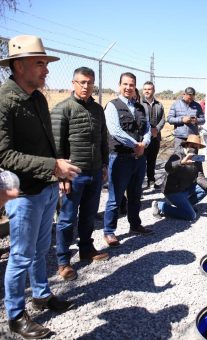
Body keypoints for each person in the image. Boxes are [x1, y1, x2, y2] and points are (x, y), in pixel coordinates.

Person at [0, 35, 81, 339]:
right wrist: (52, 167)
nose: (46, 69)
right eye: (40, 63)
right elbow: (4, 154)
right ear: (19, 65)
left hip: (46, 188)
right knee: (20, 255)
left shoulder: (36, 97)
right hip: (22, 194)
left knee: (40, 249)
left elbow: (47, 144)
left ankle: (42, 295)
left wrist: (56, 174)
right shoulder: (4, 100)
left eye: (46, 63)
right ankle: (16, 315)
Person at [51, 67, 109, 282]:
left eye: (90, 82)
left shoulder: (97, 109)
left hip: (94, 172)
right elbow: (56, 147)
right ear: (73, 83)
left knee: (88, 214)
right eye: (82, 82)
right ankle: (63, 261)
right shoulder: (62, 108)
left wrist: (104, 165)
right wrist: (61, 175)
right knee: (66, 218)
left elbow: (103, 139)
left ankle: (86, 248)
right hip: (73, 174)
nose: (86, 86)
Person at [103, 72, 152, 247]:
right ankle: (109, 231)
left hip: (138, 159)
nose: (128, 88)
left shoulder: (140, 108)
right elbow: (115, 131)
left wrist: (144, 143)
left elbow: (147, 129)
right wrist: (135, 145)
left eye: (131, 85)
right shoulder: (112, 106)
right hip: (120, 158)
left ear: (135, 87)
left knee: (135, 195)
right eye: (125, 84)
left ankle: (135, 224)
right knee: (115, 198)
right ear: (119, 85)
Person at [151, 135, 207, 221]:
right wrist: (181, 162)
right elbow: (168, 167)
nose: (195, 149)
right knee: (191, 216)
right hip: (173, 190)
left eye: (197, 147)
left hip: (185, 188)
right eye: (193, 146)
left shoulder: (198, 158)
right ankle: (160, 205)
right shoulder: (177, 155)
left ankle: (187, 206)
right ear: (187, 145)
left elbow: (200, 176)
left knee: (204, 188)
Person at [141, 81, 165, 188]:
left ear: (154, 90)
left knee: (152, 160)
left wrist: (157, 129)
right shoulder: (139, 103)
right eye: (145, 89)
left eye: (149, 89)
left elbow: (163, 119)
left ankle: (151, 181)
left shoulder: (159, 105)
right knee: (141, 162)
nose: (147, 91)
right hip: (142, 139)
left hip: (155, 138)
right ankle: (140, 183)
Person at [167, 87, 205, 151]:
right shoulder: (176, 104)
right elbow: (169, 119)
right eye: (189, 96)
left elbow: (203, 120)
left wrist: (197, 120)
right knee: (178, 157)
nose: (190, 98)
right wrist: (182, 120)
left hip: (193, 137)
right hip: (179, 136)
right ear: (184, 94)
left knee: (192, 158)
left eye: (192, 96)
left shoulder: (197, 106)